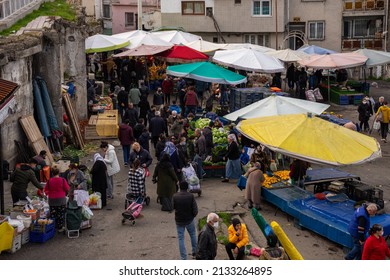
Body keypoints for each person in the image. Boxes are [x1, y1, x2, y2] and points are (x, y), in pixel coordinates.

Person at [173, 181, 198, 260]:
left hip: (179, 220)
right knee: (193, 235)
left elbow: (172, 206)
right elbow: (195, 209)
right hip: (189, 219)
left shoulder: (175, 196)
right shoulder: (191, 196)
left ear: (180, 187)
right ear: (187, 187)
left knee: (181, 238)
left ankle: (183, 258)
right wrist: (192, 216)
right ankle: (195, 252)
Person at [44, 166, 70, 232]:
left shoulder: (49, 181)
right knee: (61, 214)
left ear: (52, 173)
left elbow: (46, 190)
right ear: (59, 173)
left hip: (52, 200)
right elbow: (67, 189)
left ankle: (52, 227)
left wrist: (49, 193)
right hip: (61, 200)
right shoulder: (63, 180)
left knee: (53, 214)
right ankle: (60, 227)